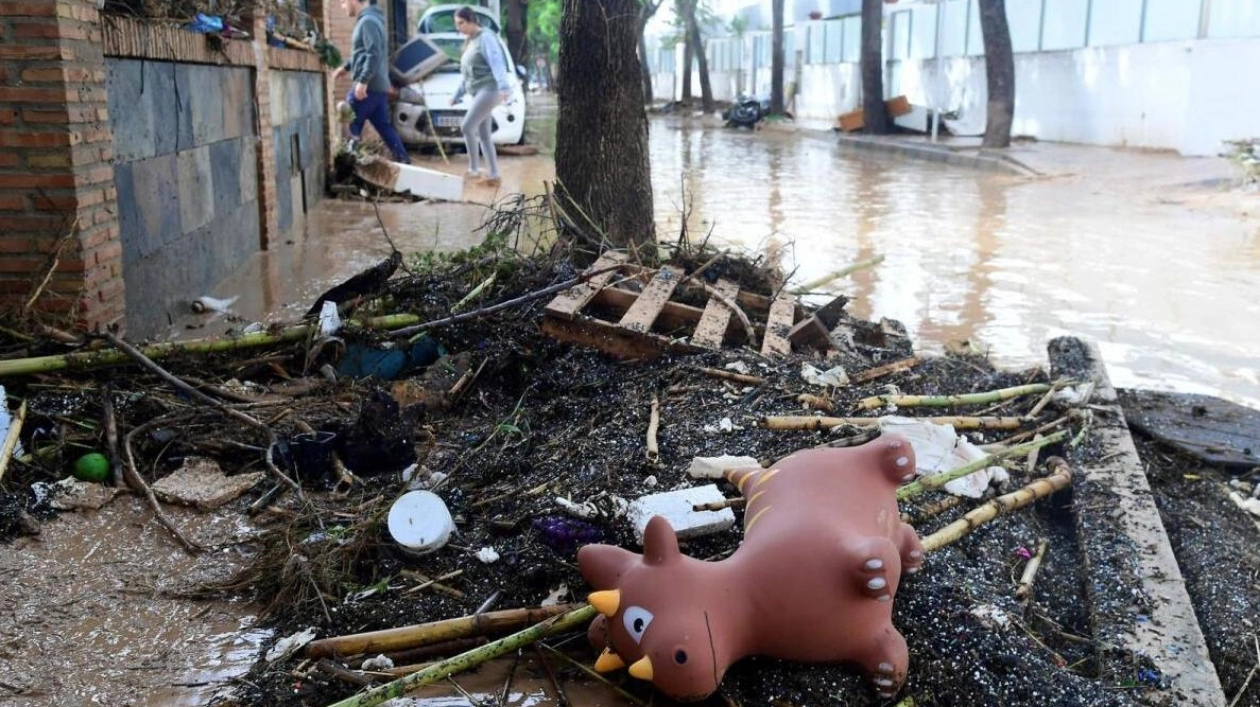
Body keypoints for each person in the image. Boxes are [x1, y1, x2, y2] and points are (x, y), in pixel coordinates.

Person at [331, 0, 411, 164]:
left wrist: (363, 80)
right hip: (377, 87)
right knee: (384, 127)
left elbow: (373, 53)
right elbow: (362, 53)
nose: (342, 6)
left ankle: (347, 168)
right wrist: (346, 67)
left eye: (344, 2)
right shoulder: (371, 19)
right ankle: (404, 161)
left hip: (368, 87)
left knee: (350, 126)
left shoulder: (368, 22)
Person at [451, 6, 510, 187]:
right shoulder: (470, 41)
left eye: (461, 23)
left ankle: (474, 171)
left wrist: (503, 86)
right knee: (484, 134)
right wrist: (457, 95)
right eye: (457, 24)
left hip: (490, 89)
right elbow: (468, 74)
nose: (458, 27)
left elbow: (496, 61)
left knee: (467, 126)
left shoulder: (486, 38)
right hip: (478, 91)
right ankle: (494, 176)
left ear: (471, 21)